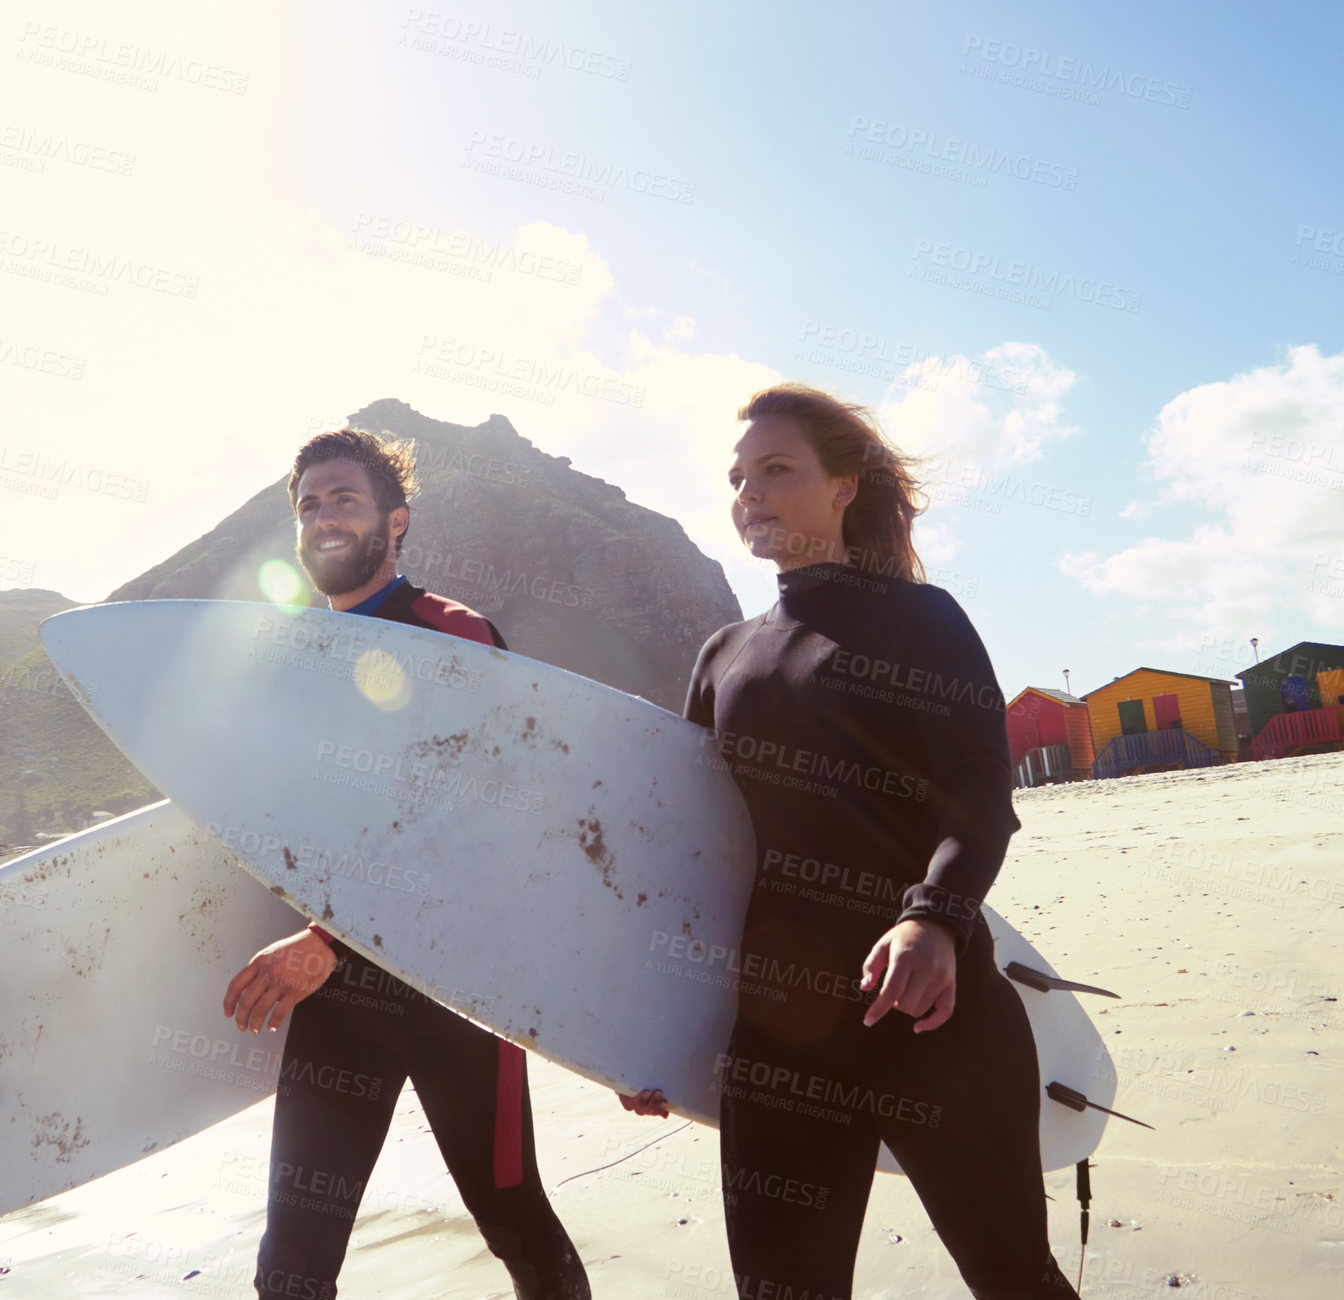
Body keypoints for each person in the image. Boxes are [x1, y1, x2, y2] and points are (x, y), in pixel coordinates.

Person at [622, 385, 1078, 1298]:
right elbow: (690, 854)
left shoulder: (922, 621)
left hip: (931, 1013)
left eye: (777, 469)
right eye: (739, 477)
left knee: (1013, 1278)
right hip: (782, 1032)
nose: (750, 492)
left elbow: (982, 797)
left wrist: (934, 922)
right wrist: (641, 1030)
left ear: (844, 486)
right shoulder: (724, 656)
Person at [223, 428, 588, 1300]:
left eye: (343, 498)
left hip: (457, 990)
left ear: (397, 521)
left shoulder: (447, 632)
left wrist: (324, 942)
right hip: (338, 1000)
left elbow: (480, 821)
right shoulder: (300, 663)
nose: (321, 517)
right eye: (308, 504)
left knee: (517, 1226)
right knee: (292, 1263)